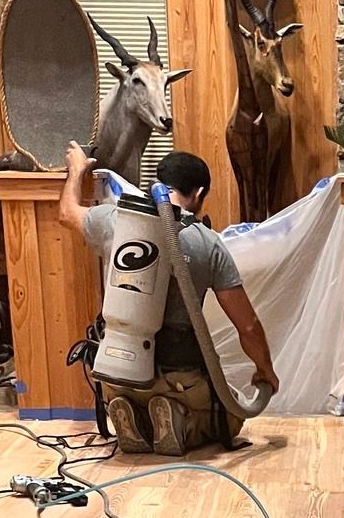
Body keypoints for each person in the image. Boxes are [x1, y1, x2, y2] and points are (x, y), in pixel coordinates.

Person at [60, 142, 279, 453]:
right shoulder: (206, 243)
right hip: (179, 382)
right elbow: (248, 327)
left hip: (118, 372)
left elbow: (67, 213)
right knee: (231, 418)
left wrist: (77, 171)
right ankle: (179, 420)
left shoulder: (116, 221)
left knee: (130, 394)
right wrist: (265, 369)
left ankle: (127, 408)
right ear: (198, 193)